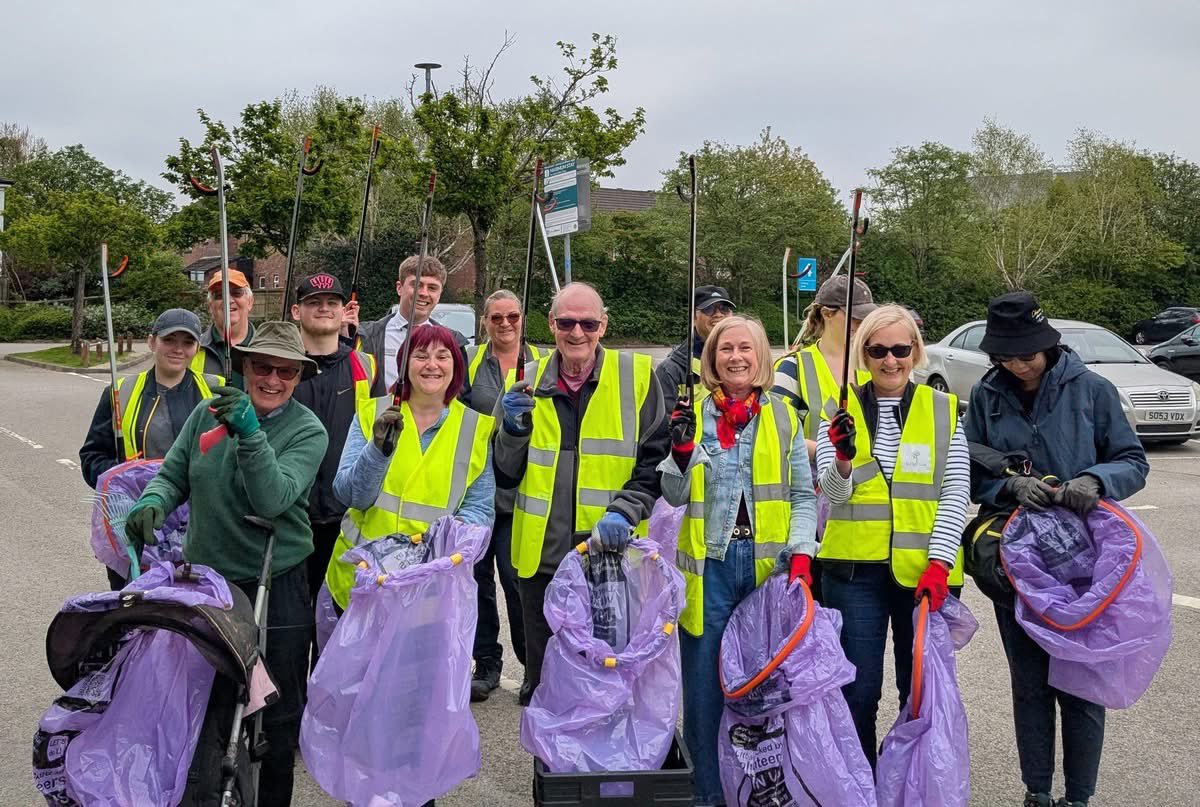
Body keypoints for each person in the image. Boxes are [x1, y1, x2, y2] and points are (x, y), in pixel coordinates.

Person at [124, 321, 327, 807]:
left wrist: (251, 432)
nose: (273, 379)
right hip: (208, 585)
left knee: (276, 712)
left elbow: (274, 498)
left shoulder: (307, 430)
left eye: (286, 371)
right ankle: (208, 795)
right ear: (244, 367)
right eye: (262, 367)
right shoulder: (204, 414)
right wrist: (151, 501)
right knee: (209, 704)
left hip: (274, 584)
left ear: (299, 376)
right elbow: (173, 474)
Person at [964, 291, 1149, 807]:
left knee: (1082, 685)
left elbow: (1133, 461)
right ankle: (1038, 792)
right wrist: (1005, 487)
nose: (1018, 363)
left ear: (1049, 345)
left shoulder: (1093, 390)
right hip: (1018, 564)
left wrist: (1095, 479)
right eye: (1006, 355)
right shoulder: (986, 395)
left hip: (1085, 564)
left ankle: (1079, 797)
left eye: (1027, 353)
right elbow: (969, 467)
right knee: (1030, 684)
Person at [658, 315, 817, 807]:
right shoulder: (694, 413)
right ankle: (707, 796)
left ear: (761, 356)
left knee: (766, 697)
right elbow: (673, 493)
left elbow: (802, 497)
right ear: (711, 359)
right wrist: (681, 452)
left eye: (745, 348)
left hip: (769, 570)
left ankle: (762, 793)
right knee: (705, 698)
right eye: (725, 349)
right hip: (710, 568)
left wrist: (802, 553)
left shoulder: (785, 417)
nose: (736, 357)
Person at [493, 282, 669, 706]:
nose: (577, 333)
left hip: (611, 561)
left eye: (587, 323)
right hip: (540, 565)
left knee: (608, 680)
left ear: (603, 325)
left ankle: (603, 771)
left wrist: (625, 513)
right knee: (547, 682)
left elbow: (655, 462)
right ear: (551, 324)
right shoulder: (525, 383)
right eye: (567, 322)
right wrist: (513, 432)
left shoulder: (638, 377)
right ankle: (554, 771)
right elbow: (503, 473)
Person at [815, 304, 971, 768]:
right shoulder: (836, 410)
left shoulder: (943, 408)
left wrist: (941, 563)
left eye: (900, 349)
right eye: (878, 350)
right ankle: (861, 784)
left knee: (918, 693)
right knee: (858, 694)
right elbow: (831, 496)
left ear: (915, 351)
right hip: (852, 574)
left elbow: (955, 490)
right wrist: (842, 459)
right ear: (863, 354)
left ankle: (907, 780)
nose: (890, 360)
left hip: (924, 575)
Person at [325, 323, 496, 613]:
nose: (432, 365)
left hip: (429, 588)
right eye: (420, 355)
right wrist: (377, 452)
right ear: (404, 365)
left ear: (456, 366)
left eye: (443, 356)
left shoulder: (475, 428)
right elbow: (350, 495)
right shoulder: (373, 413)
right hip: (362, 581)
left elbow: (480, 509)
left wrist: (439, 545)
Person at [79, 308, 225, 589]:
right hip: (135, 527)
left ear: (197, 347)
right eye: (170, 340)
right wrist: (127, 476)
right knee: (135, 615)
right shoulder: (120, 392)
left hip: (198, 530)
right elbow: (92, 458)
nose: (178, 349)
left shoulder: (216, 390)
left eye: (187, 342)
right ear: (151, 342)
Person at [289, 272, 384, 662]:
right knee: (292, 628)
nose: (324, 308)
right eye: (314, 302)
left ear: (344, 309)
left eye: (332, 301)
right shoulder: (282, 365)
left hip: (347, 521)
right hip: (291, 519)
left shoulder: (367, 367)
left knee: (341, 629)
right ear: (297, 311)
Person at [462, 290, 542, 702]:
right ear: (485, 322)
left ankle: (531, 665)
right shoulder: (470, 360)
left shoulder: (543, 363)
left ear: (523, 318)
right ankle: (487, 662)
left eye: (513, 315)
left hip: (523, 491)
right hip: (478, 490)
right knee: (478, 580)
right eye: (497, 318)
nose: (505, 323)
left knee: (517, 581)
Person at [772, 274, 877, 456]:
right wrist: (833, 453)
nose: (862, 323)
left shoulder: (875, 363)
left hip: (871, 483)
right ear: (827, 313)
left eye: (866, 316)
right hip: (813, 480)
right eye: (855, 316)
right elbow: (775, 432)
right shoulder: (791, 368)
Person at [357, 254, 469, 391]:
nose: (423, 293)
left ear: (440, 293)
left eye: (432, 288)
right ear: (399, 288)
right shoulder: (366, 336)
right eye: (416, 285)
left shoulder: (454, 342)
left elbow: (461, 395)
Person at [656, 284, 735, 412]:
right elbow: (664, 425)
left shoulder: (744, 362)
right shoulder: (671, 370)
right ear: (693, 317)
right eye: (709, 309)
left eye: (724, 309)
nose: (718, 314)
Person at [192, 268, 256, 387]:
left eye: (237, 293)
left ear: (250, 302)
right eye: (220, 295)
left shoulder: (266, 349)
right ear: (210, 306)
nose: (228, 300)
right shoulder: (192, 350)